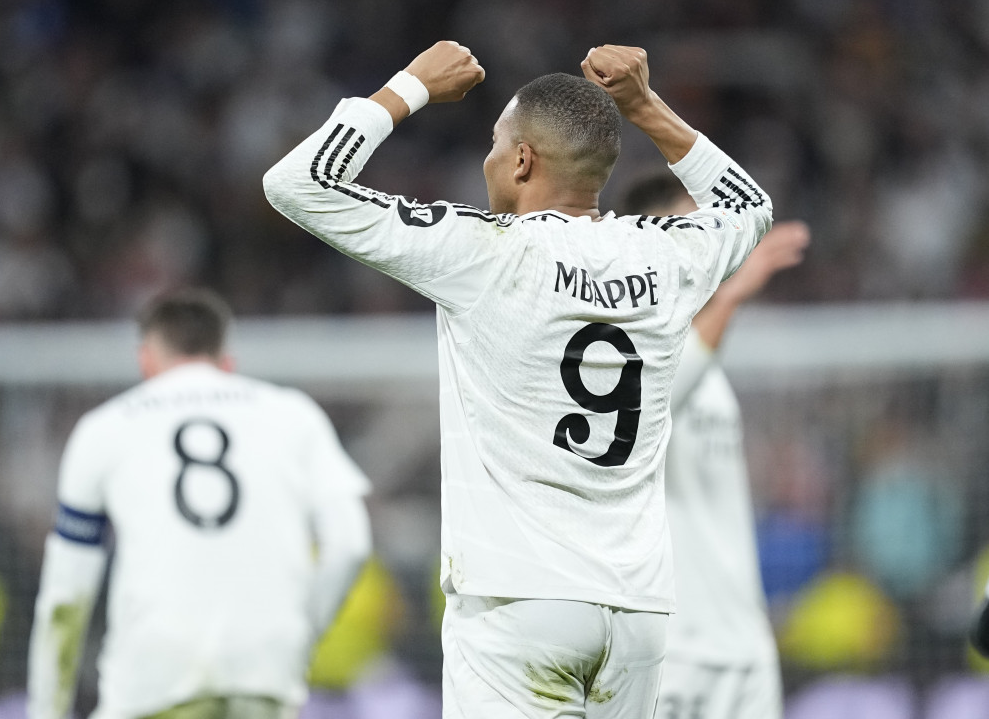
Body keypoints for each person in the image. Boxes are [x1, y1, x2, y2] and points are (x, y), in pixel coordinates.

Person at [263, 41, 773, 718]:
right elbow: (747, 204)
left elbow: (296, 183)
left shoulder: (479, 252)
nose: (487, 160)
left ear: (523, 160)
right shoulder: (665, 254)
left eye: (494, 145)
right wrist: (643, 106)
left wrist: (408, 87)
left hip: (519, 601)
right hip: (639, 611)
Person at [26, 288, 372, 719]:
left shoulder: (105, 429)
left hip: (154, 678)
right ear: (227, 361)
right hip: (264, 672)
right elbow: (350, 544)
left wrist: (47, 711)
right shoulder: (294, 414)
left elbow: (66, 597)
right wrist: (300, 637)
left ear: (145, 359)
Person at [619, 172, 809, 719]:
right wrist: (734, 292)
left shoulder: (714, 368)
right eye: (693, 224)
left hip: (745, 643)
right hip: (672, 649)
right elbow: (663, 387)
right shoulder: (627, 350)